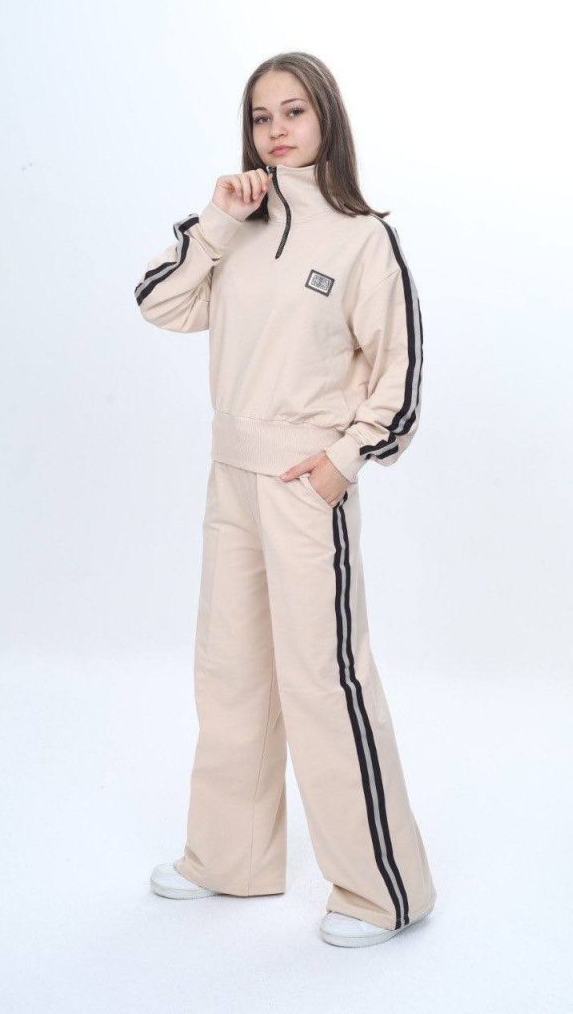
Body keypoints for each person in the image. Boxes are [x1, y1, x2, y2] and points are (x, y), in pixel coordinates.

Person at [134, 51, 436, 948]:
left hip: (305, 482)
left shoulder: (362, 238)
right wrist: (219, 225)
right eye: (261, 116)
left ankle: (383, 893)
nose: (276, 130)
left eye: (294, 111)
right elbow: (159, 304)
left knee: (323, 680)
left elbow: (399, 376)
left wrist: (346, 458)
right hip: (231, 472)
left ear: (326, 119)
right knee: (230, 671)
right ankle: (230, 860)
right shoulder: (233, 224)